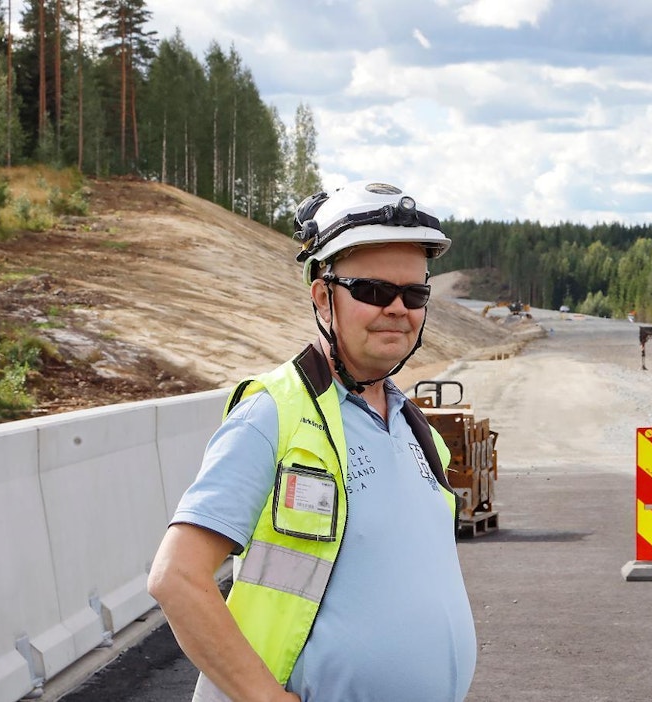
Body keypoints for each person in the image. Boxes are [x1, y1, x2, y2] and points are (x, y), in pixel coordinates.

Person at [147, 181, 477, 702]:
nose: (398, 308)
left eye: (414, 294)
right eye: (373, 291)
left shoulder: (420, 434)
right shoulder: (271, 415)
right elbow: (176, 577)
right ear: (324, 297)